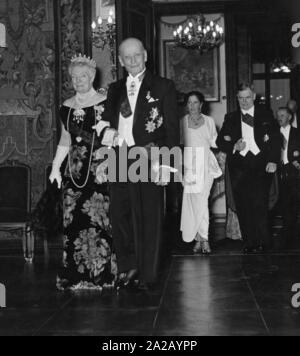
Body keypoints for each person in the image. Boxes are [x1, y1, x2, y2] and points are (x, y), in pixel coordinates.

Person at [95, 38, 179, 290]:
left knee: (149, 215)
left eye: (137, 55)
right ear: (120, 60)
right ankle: (128, 266)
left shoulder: (163, 86)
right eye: (127, 57)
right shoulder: (114, 89)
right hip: (120, 157)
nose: (132, 61)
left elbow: (173, 131)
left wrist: (167, 164)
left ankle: (148, 274)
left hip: (149, 157)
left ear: (145, 55)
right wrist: (109, 147)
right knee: (119, 214)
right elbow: (106, 124)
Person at [49, 54, 117, 290]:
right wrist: (56, 167)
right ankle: (76, 275)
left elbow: (112, 139)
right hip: (74, 174)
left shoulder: (106, 103)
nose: (78, 81)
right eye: (74, 77)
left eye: (83, 76)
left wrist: (109, 162)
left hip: (99, 170)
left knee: (99, 222)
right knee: (75, 223)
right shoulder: (65, 108)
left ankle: (101, 274)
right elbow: (65, 140)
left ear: (92, 77)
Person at [216, 82, 281, 253]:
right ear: (237, 99)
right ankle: (250, 242)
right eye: (240, 99)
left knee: (260, 205)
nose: (244, 102)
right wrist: (233, 147)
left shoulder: (266, 115)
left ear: (253, 97)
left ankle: (264, 242)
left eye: (247, 98)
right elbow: (220, 141)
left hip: (261, 166)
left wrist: (273, 160)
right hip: (239, 168)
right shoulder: (230, 118)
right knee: (243, 207)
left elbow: (276, 139)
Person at [180, 91, 222, 254]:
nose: (192, 106)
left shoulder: (209, 121)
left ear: (201, 104)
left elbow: (214, 142)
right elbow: (180, 146)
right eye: (189, 103)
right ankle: (200, 239)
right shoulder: (182, 122)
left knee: (203, 200)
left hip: (206, 164)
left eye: (195, 102)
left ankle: (202, 240)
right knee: (193, 205)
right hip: (190, 166)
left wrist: (231, 144)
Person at [276, 107, 300, 247]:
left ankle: (291, 234)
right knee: (281, 203)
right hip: (277, 172)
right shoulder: (273, 133)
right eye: (278, 115)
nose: (280, 118)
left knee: (292, 203)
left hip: (292, 171)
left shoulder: (297, 133)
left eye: (283, 115)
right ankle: (285, 233)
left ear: (289, 117)